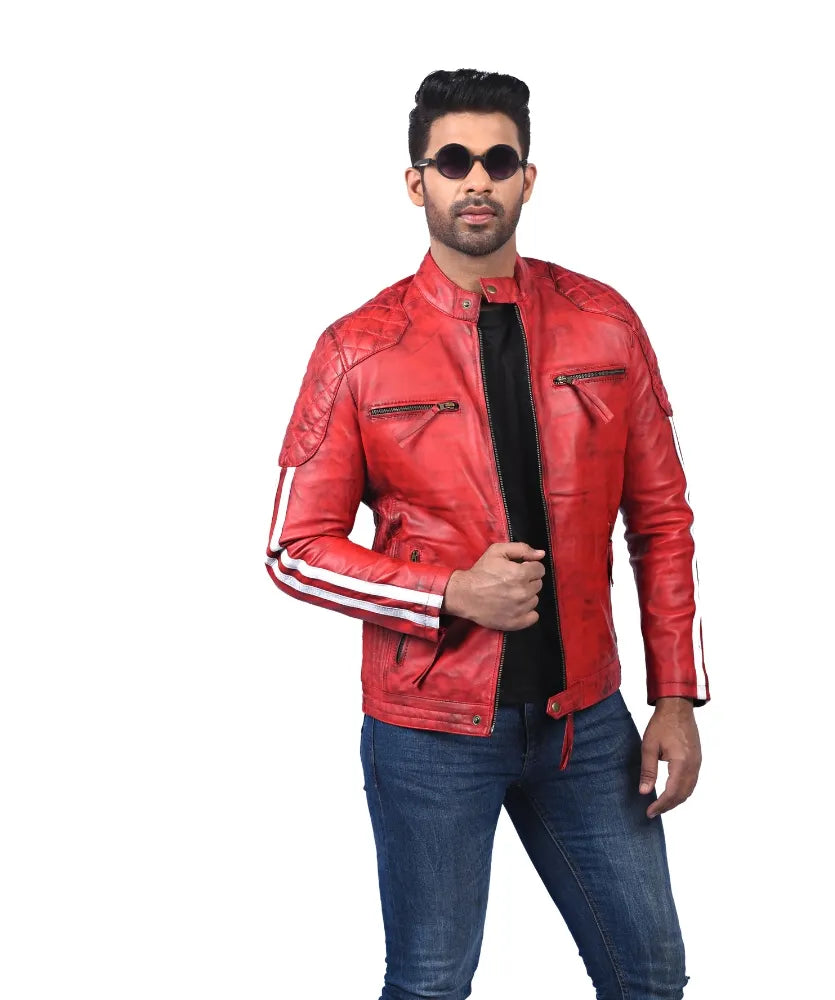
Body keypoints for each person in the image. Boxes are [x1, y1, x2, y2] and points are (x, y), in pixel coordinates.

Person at [265, 67, 710, 1000]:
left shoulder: (605, 324)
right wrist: (450, 593)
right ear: (416, 182)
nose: (478, 180)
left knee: (650, 976)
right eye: (454, 161)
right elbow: (294, 549)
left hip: (586, 723)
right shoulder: (358, 348)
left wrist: (675, 697)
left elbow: (663, 520)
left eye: (499, 161)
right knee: (431, 984)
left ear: (527, 179)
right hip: (429, 733)